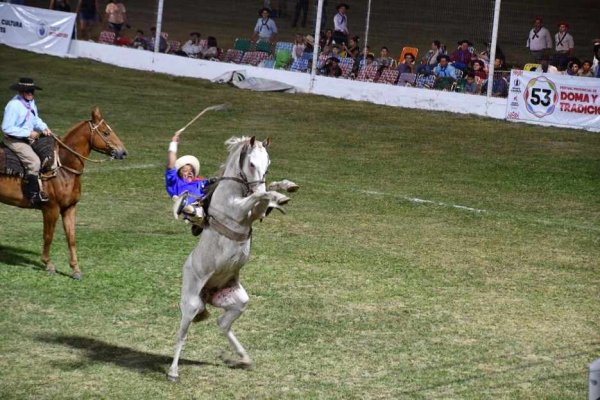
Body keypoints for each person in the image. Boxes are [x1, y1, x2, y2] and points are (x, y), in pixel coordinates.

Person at [1, 78, 53, 207]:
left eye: (31, 91)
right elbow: (6, 127)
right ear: (21, 91)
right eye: (27, 91)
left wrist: (44, 128)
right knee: (34, 162)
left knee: (48, 151)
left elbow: (35, 119)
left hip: (28, 138)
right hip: (14, 140)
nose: (30, 93)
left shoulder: (30, 102)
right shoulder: (13, 105)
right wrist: (28, 133)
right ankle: (33, 195)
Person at [166, 133, 212, 234]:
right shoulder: (175, 182)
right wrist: (173, 144)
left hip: (210, 202)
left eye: (192, 170)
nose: (189, 172)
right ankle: (197, 220)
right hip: (192, 205)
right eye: (185, 170)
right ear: (179, 173)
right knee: (191, 208)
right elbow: (170, 165)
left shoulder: (201, 181)